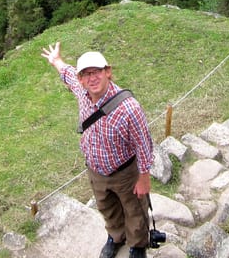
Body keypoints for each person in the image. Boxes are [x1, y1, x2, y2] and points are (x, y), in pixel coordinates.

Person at [41, 42, 155, 258]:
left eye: (97, 72)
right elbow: (67, 73)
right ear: (81, 79)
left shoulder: (129, 108)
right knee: (107, 207)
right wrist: (56, 60)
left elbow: (143, 144)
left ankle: (138, 245)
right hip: (96, 170)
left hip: (125, 172)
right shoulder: (82, 92)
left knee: (134, 210)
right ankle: (116, 236)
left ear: (108, 72)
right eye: (86, 74)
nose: (92, 78)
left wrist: (144, 178)